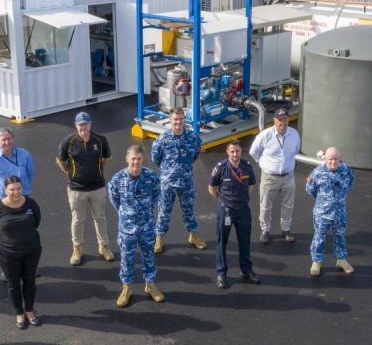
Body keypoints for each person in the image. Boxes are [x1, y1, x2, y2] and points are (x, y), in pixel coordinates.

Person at [108, 145, 164, 307]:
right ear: (127, 159)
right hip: (127, 228)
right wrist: (126, 212)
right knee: (127, 258)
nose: (136, 162)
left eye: (138, 159)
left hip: (146, 225)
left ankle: (150, 285)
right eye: (133, 159)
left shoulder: (151, 177)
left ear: (143, 159)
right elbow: (114, 198)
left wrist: (145, 210)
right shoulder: (118, 179)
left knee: (148, 256)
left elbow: (156, 196)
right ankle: (127, 288)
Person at [56, 111, 115, 265]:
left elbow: (106, 159)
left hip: (97, 187)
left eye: (86, 124)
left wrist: (96, 173)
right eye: (80, 124)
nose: (83, 127)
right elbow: (61, 161)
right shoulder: (68, 141)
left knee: (100, 218)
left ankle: (104, 246)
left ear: (90, 124)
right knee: (77, 220)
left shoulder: (101, 140)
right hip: (76, 189)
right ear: (76, 125)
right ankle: (77, 249)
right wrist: (71, 174)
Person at [0, 176, 42, 330]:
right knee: (13, 284)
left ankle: (30, 311)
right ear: (5, 190)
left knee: (30, 281)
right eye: (12, 189)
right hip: (8, 254)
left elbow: (36, 222)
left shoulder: (31, 204)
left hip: (31, 251)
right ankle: (19, 312)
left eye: (18, 188)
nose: (16, 192)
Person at [0, 127, 35, 282]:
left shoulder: (25, 155)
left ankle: (30, 266)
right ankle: (6, 270)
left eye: (9, 138)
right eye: (3, 139)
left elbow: (30, 174)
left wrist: (19, 192)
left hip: (23, 200)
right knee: (3, 236)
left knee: (27, 233)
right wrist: (2, 192)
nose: (7, 142)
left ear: (13, 139)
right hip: (1, 202)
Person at [151, 107, 206, 254]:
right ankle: (159, 237)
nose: (178, 122)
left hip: (186, 181)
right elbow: (155, 158)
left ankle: (193, 235)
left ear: (184, 120)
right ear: (170, 120)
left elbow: (195, 154)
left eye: (181, 119)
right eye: (175, 119)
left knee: (189, 210)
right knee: (164, 211)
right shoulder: (162, 139)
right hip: (168, 183)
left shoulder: (193, 138)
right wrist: (169, 171)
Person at [208, 140, 260, 289]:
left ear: (240, 151)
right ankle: (221, 274)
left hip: (243, 210)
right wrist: (222, 200)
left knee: (245, 242)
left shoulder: (247, 166)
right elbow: (211, 188)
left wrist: (242, 199)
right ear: (227, 152)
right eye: (232, 151)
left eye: (237, 151)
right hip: (225, 211)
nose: (235, 154)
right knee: (221, 243)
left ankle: (246, 271)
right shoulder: (220, 168)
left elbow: (251, 185)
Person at [249, 107, 301, 244]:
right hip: (269, 177)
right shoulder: (265, 135)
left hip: (288, 176)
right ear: (274, 120)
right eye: (279, 120)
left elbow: (295, 150)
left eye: (285, 119)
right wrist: (264, 164)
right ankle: (265, 230)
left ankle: (286, 229)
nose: (282, 123)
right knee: (265, 205)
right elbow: (253, 152)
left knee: (288, 205)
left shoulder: (294, 134)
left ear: (288, 120)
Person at [305, 147, 355, 277]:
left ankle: (342, 260)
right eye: (330, 159)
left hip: (339, 212)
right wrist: (324, 201)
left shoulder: (346, 170)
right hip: (322, 213)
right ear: (325, 159)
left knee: (340, 236)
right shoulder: (317, 172)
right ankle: (316, 261)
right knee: (319, 237)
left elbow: (350, 186)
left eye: (336, 159)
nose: (333, 162)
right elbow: (310, 189)